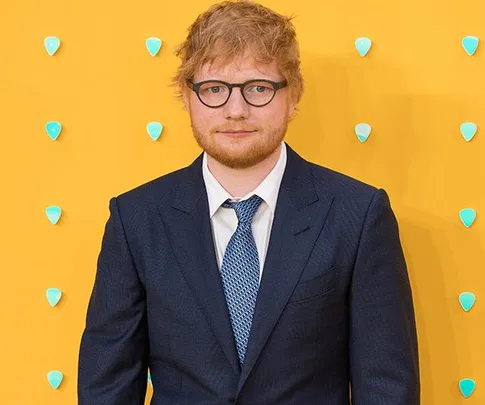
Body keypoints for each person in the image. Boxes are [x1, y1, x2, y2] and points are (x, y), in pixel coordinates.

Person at [77, 0, 420, 404]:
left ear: (293, 96)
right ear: (187, 99)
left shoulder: (359, 215)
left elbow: (386, 386)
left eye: (258, 88)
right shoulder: (135, 219)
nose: (235, 110)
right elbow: (107, 384)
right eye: (214, 89)